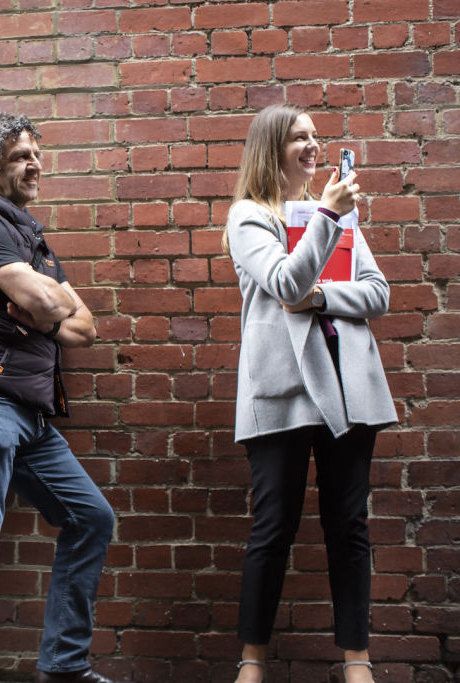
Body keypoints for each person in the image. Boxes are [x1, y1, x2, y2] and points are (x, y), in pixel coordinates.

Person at [0, 113, 124, 683]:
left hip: (25, 408)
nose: (36, 165)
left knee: (90, 518)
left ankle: (63, 666)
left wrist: (42, 312)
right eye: (21, 157)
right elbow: (45, 298)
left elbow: (84, 327)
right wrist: (45, 304)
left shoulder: (28, 234)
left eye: (37, 154)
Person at [224, 105, 397, 683]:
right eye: (299, 136)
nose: (313, 145)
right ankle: (252, 662)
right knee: (272, 528)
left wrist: (322, 300)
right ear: (272, 147)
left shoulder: (338, 214)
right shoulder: (248, 217)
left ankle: (357, 663)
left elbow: (377, 293)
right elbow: (284, 283)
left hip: (351, 390)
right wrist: (328, 217)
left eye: (315, 136)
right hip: (284, 392)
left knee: (349, 527)